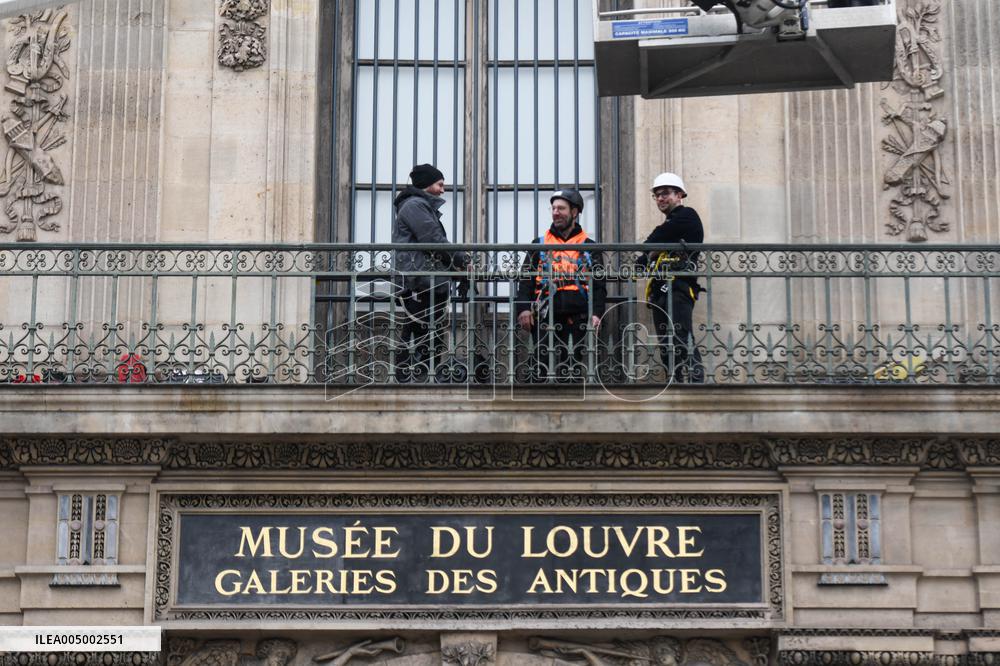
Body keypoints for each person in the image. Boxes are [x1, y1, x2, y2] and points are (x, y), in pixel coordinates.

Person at [516, 189, 606, 381]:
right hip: (544, 312)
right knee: (538, 367)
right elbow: (525, 280)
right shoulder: (539, 244)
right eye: (554, 208)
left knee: (571, 368)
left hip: (578, 314)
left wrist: (597, 313)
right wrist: (523, 309)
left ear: (574, 212)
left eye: (561, 208)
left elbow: (599, 285)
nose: (556, 212)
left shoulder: (590, 246)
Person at [392, 163, 467, 382]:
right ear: (427, 184)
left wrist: (455, 268)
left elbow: (433, 246)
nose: (443, 190)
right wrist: (463, 260)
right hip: (421, 283)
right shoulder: (415, 205)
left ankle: (415, 377)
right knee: (425, 334)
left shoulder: (418, 205)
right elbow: (433, 240)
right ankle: (417, 379)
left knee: (423, 332)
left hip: (424, 281)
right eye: (440, 184)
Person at [640, 172, 705, 383]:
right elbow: (642, 259)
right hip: (660, 289)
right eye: (657, 195)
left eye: (666, 193)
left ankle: (696, 381)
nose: (660, 198)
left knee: (681, 334)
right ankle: (674, 380)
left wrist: (653, 250)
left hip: (679, 287)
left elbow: (652, 241)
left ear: (679, 195)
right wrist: (650, 252)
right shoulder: (672, 223)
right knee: (665, 342)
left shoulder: (687, 215)